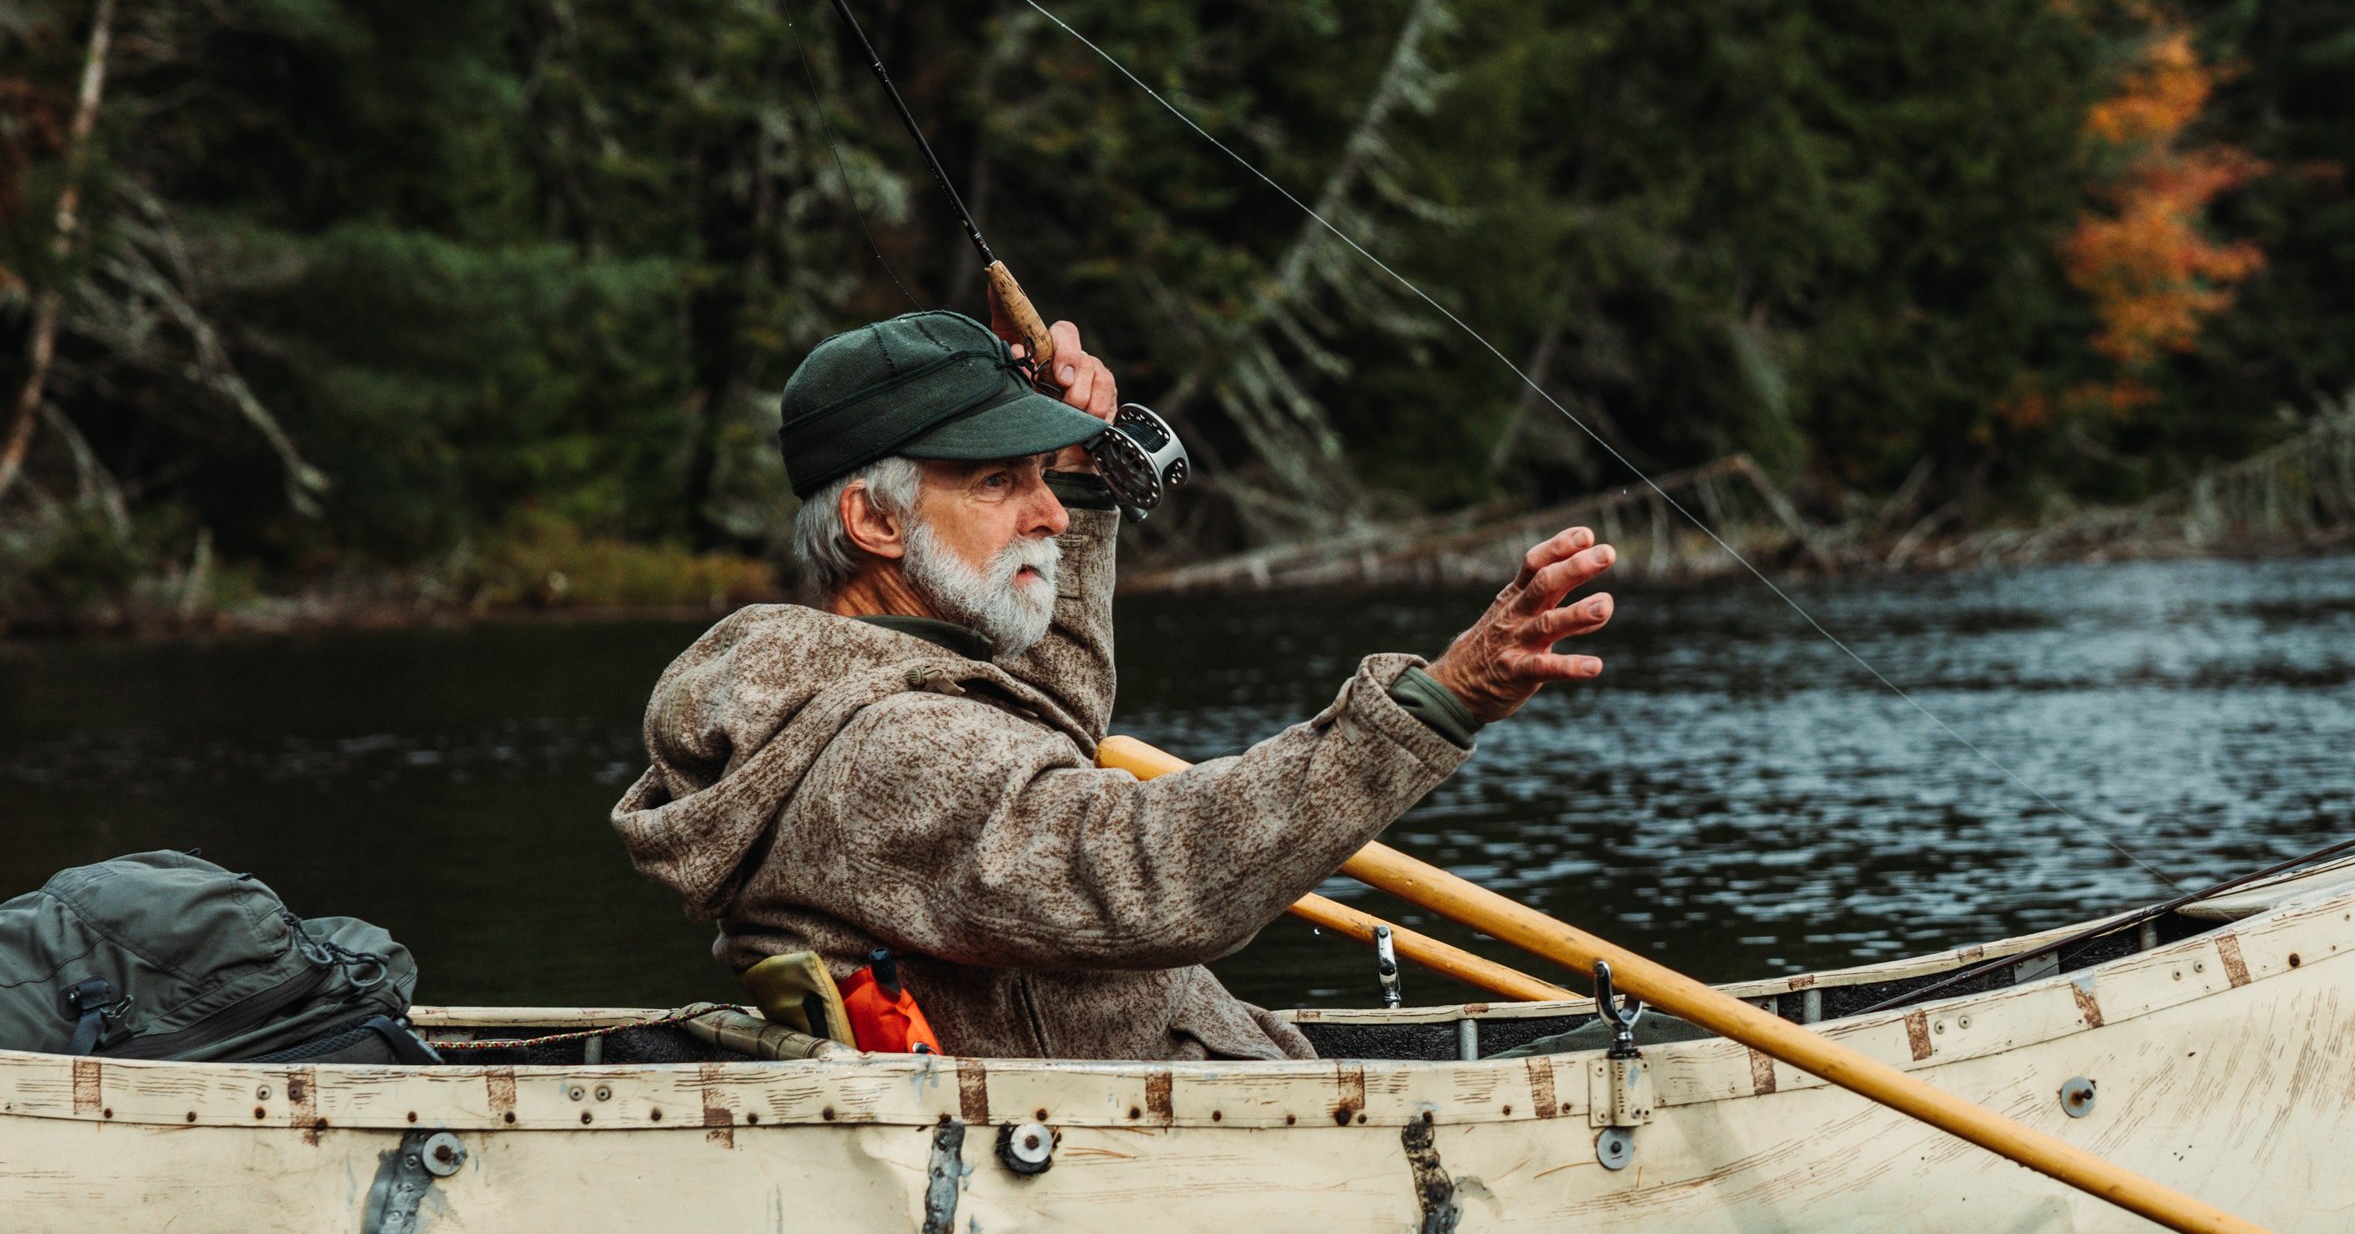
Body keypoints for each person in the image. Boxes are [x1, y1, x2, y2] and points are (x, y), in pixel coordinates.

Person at [611, 300, 1616, 1062]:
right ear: (874, 523)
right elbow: (1159, 877)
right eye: (1000, 483)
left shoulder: (852, 710)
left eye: (1046, 478)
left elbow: (1033, 731)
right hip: (1160, 1171)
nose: (1046, 514)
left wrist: (1090, 491)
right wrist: (1438, 702)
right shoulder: (893, 756)